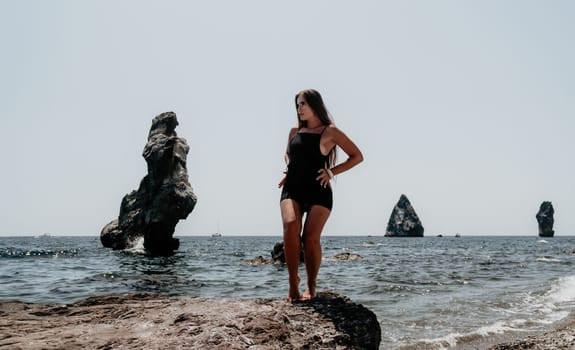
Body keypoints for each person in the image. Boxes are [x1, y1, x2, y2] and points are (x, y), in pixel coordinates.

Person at [278, 89, 364, 302]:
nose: (299, 109)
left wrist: (332, 172)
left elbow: (357, 156)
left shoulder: (330, 132)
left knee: (310, 238)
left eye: (303, 104)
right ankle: (292, 284)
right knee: (290, 227)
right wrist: (289, 173)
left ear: (315, 105)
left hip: (319, 190)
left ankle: (311, 284)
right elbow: (293, 158)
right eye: (297, 105)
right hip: (292, 189)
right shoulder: (294, 132)